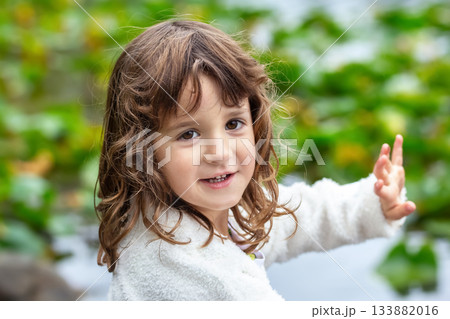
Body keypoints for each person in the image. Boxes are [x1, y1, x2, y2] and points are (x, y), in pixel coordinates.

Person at [95, 19, 416, 300]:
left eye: (233, 124)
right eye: (188, 135)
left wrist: (374, 201)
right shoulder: (181, 267)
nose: (220, 151)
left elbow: (305, 213)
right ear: (140, 150)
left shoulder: (214, 207)